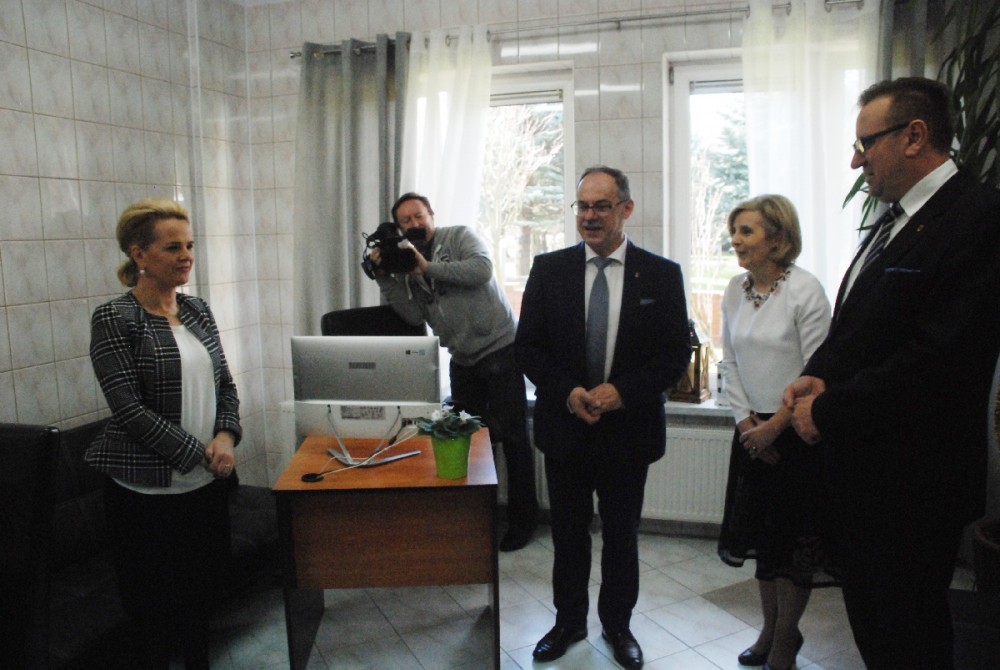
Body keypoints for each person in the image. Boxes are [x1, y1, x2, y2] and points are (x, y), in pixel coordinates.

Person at [784, 77, 1000, 668]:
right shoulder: (896, 216)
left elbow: (938, 361)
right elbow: (862, 324)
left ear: (914, 136)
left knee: (910, 640)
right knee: (877, 634)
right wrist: (818, 374)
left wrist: (826, 408)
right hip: (868, 477)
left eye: (865, 144)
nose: (856, 161)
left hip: (915, 483)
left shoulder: (977, 218)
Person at [515, 166, 691, 669]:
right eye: (583, 206)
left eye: (602, 206)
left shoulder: (661, 274)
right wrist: (568, 391)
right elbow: (528, 348)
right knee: (568, 537)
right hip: (566, 429)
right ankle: (569, 622)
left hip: (628, 433)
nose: (590, 216)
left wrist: (622, 393)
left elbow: (674, 355)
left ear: (626, 209)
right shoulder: (548, 270)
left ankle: (617, 626)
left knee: (621, 538)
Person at [88, 199, 241, 669]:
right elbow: (128, 408)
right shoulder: (115, 317)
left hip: (202, 485)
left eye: (189, 245)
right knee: (151, 612)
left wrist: (226, 438)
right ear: (139, 254)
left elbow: (225, 385)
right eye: (173, 247)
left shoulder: (197, 309)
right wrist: (199, 452)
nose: (186, 256)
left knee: (200, 601)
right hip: (144, 493)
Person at [370, 192, 539, 551]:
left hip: (500, 349)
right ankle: (476, 520)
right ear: (399, 228)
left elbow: (482, 269)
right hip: (462, 359)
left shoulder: (459, 237)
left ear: (431, 215)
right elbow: (414, 316)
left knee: (513, 439)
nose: (414, 223)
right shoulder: (406, 262)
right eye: (406, 220)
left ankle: (524, 522)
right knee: (468, 442)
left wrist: (427, 268)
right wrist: (386, 278)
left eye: (419, 215)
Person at [716, 195, 832, 670]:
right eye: (734, 231)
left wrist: (774, 429)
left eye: (746, 231)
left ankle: (787, 637)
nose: (736, 240)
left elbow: (817, 372)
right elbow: (729, 362)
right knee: (762, 544)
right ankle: (768, 629)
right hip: (750, 432)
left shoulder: (805, 290)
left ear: (778, 238)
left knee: (791, 548)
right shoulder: (734, 289)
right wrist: (747, 425)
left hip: (796, 434)